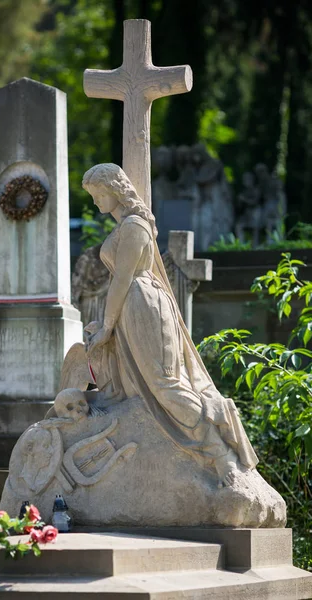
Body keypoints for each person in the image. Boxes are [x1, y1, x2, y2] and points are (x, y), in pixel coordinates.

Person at [82, 163, 258, 486]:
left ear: (113, 190)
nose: (96, 203)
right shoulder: (124, 227)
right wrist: (104, 325)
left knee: (165, 385)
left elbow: (122, 279)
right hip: (128, 309)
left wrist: (107, 325)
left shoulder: (135, 226)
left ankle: (220, 454)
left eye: (98, 195)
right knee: (138, 389)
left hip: (143, 306)